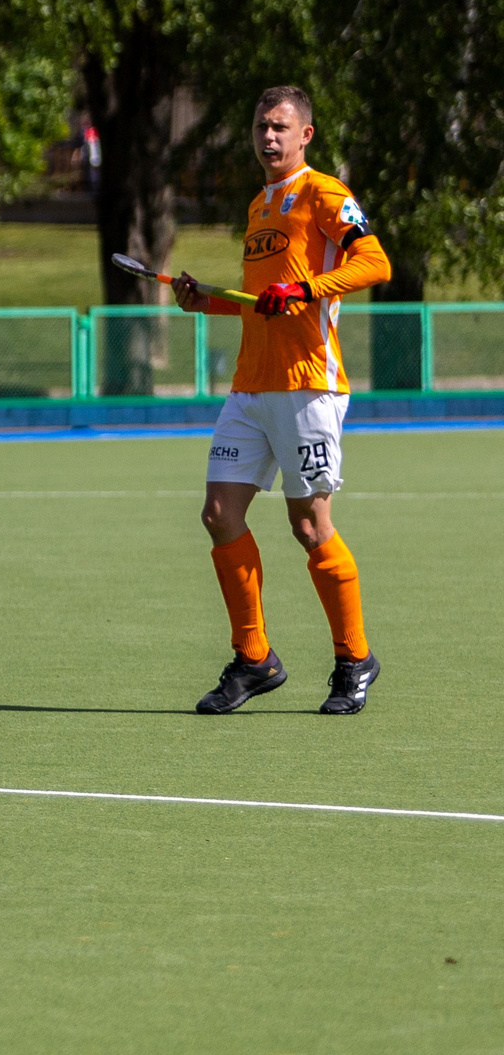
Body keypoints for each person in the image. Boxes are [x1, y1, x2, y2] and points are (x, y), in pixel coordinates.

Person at [173, 86, 392, 715]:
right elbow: (258, 302)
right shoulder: (258, 203)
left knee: (308, 526)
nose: (268, 138)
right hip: (250, 385)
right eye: (260, 127)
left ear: (306, 136)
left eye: (279, 128)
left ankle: (355, 658)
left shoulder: (326, 193)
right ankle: (255, 659)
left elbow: (374, 262)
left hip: (306, 384)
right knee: (220, 514)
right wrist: (205, 300)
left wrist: (308, 288)